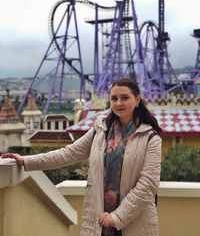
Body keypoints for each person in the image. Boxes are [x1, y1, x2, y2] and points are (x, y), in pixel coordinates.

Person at [1, 77, 162, 236]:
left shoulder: (150, 138)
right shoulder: (101, 131)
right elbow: (67, 154)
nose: (119, 103)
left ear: (138, 100)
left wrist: (116, 217)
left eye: (125, 97)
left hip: (134, 222)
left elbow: (148, 184)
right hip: (99, 221)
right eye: (114, 98)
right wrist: (26, 160)